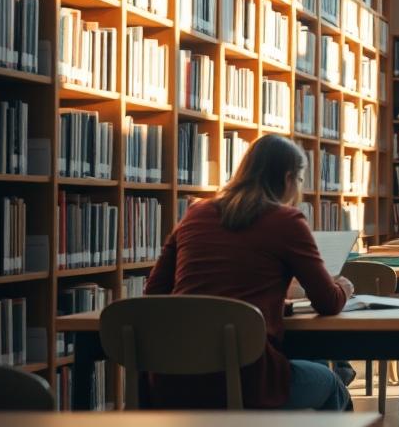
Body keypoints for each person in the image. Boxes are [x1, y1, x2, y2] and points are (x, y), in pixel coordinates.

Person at [144, 134, 356, 410]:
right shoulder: (287, 220)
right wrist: (345, 289)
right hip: (247, 381)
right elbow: (328, 302)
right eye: (300, 180)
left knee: (311, 364)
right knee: (332, 383)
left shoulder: (195, 213)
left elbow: (155, 293)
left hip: (171, 379)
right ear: (288, 178)